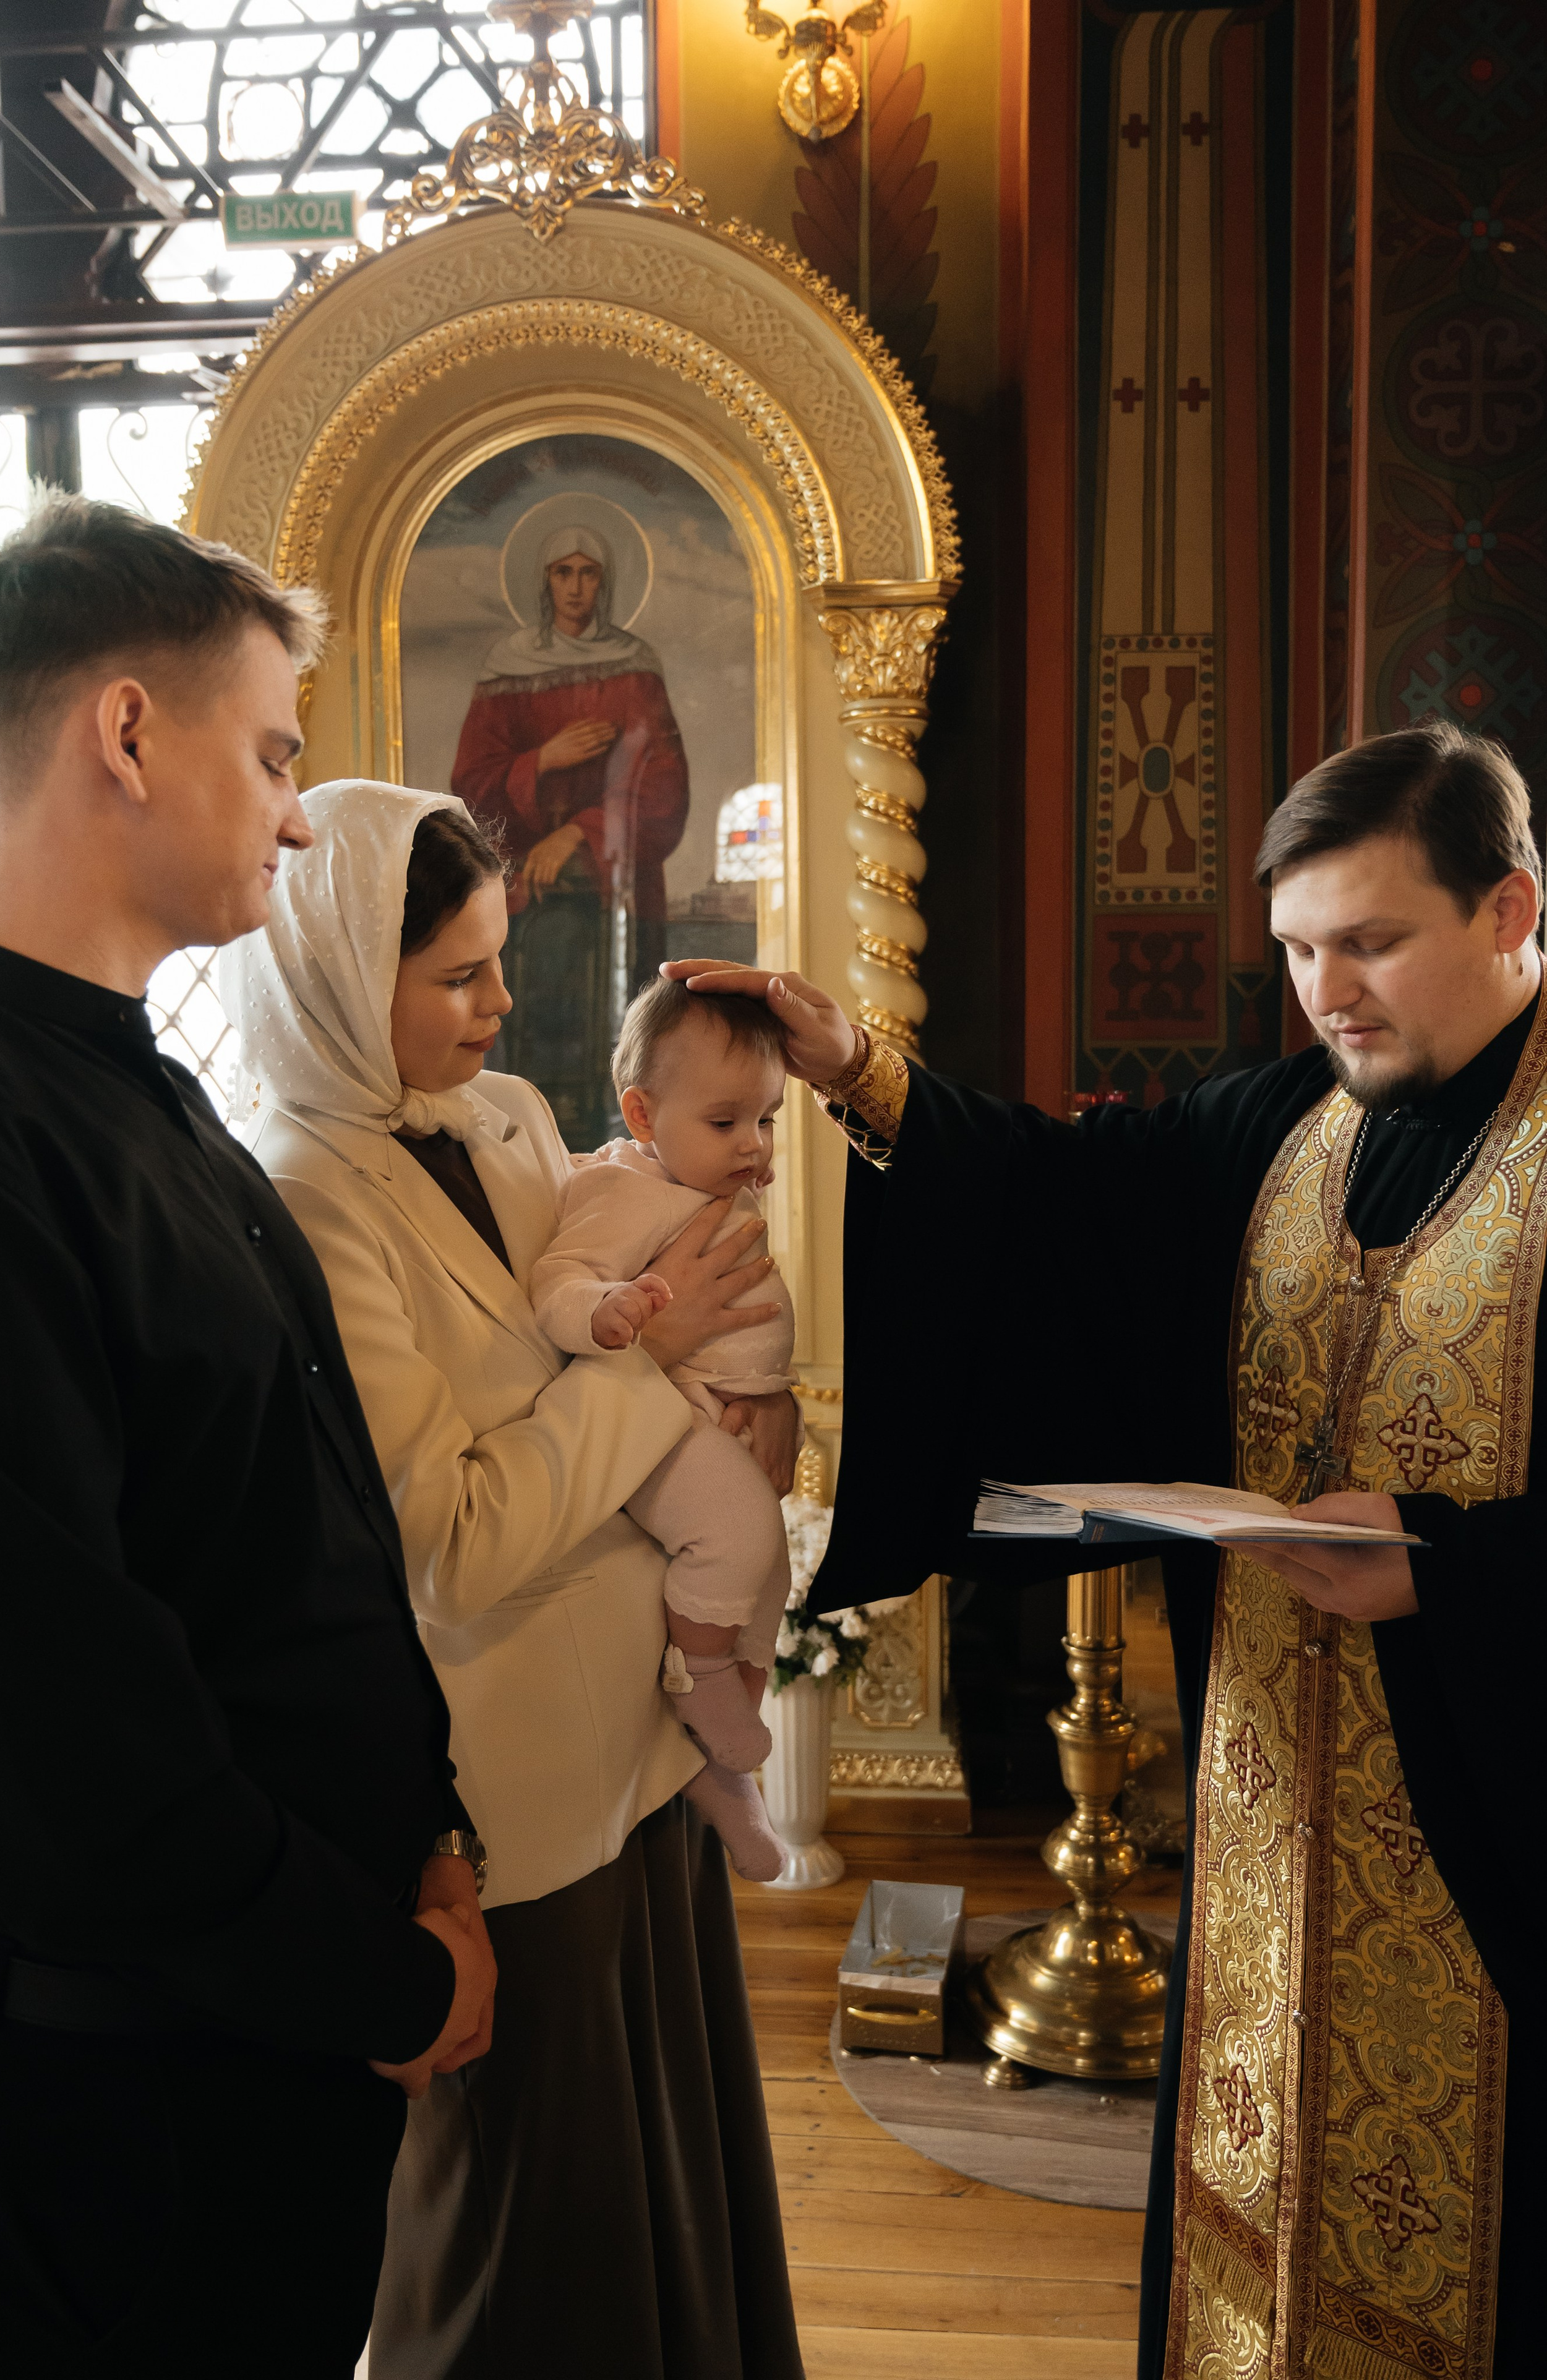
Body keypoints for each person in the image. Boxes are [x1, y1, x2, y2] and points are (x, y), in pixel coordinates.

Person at [666, 719, 1546, 2379]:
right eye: (1297, 950)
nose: (1328, 992)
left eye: (1372, 941)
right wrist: (865, 1075)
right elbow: (1068, 1205)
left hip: (1495, 1861)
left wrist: (1455, 1566)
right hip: (1275, 1830)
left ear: (1508, 911)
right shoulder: (1295, 1122)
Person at [0, 497, 495, 2380]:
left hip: (257, 2039)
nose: (296, 809)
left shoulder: (145, 1083)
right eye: (274, 751)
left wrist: (423, 1835)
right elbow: (67, 1734)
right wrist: (388, 1973)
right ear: (124, 732)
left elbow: (290, 1536)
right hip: (125, 2094)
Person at [224, 779, 805, 2380]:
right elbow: (452, 1541)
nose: (500, 1004)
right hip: (513, 1786)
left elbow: (630, 1306)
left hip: (640, 1743)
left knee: (661, 2193)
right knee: (518, 2244)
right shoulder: (299, 1189)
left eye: (502, 960)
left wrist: (745, 1384)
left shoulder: (509, 1116)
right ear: (343, 971)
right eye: (458, 977)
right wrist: (656, 1369)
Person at [529, 975, 799, 1881]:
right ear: (642, 1113)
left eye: (767, 1120)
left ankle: (721, 1765)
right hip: (661, 1424)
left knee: (767, 1568)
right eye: (727, 1123)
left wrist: (774, 1397)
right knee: (743, 1538)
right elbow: (558, 1279)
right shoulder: (620, 1188)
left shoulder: (696, 1177)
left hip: (718, 1423)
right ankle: (706, 1696)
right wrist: (601, 1309)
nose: (754, 1146)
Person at [450, 525, 690, 1147]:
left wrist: (579, 833)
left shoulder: (634, 669)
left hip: (614, 893)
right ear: (543, 580)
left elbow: (662, 785)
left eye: (589, 573)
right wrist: (541, 761)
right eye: (564, 572)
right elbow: (470, 788)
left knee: (622, 1045)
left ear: (605, 583)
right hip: (528, 902)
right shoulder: (509, 667)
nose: (576, 588)